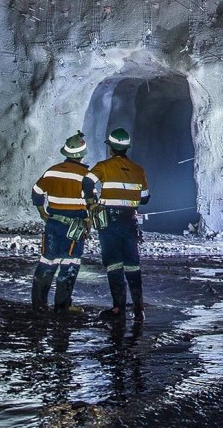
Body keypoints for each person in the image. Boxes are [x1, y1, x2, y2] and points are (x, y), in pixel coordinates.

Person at [85, 127, 150, 320]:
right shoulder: (138, 170)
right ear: (126, 148)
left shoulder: (103, 166)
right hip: (129, 220)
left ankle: (118, 308)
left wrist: (92, 203)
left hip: (109, 221)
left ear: (111, 148)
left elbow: (87, 183)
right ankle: (139, 309)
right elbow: (145, 199)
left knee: (113, 263)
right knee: (132, 264)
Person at [29, 131, 91, 313]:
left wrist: (42, 212)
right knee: (69, 265)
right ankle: (62, 306)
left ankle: (39, 305)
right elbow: (91, 202)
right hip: (74, 226)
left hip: (53, 224)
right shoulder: (85, 175)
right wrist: (89, 223)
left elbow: (37, 192)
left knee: (47, 262)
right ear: (81, 154)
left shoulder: (52, 171)